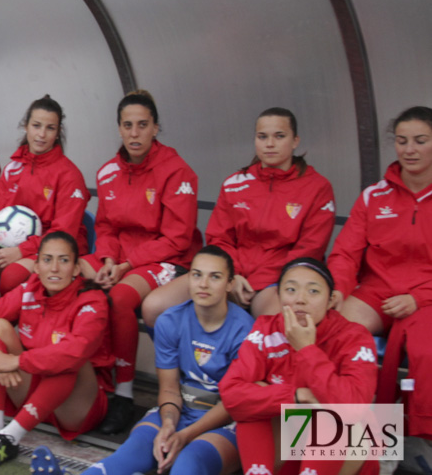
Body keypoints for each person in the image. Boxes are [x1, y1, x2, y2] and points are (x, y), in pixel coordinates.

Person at [50, 246, 253, 475]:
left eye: (214, 277)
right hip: (181, 411)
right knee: (131, 453)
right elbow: (169, 388)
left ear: (230, 283)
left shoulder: (248, 332)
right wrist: (168, 425)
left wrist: (184, 436)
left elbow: (234, 403)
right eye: (197, 274)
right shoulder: (170, 320)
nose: (203, 284)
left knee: (189, 462)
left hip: (224, 421)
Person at [80, 89, 202, 434]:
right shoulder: (108, 173)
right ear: (119, 128)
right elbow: (105, 226)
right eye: (128, 125)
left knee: (119, 297)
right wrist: (107, 259)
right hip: (121, 257)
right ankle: (87, 381)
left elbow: (177, 238)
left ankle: (124, 394)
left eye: (142, 125)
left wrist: (125, 265)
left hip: (167, 258)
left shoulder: (177, 172)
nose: (135, 133)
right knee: (73, 278)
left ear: (156, 128)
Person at [143, 107, 335, 321]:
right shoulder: (235, 183)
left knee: (278, 325)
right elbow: (219, 238)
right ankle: (180, 354)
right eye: (262, 136)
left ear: (295, 140)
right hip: (229, 274)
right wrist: (232, 275)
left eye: (279, 136)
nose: (270, 144)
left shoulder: (317, 187)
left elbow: (309, 250)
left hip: (276, 281)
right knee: (154, 307)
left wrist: (256, 282)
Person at [0, 231, 111, 468]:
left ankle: (11, 437)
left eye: (63, 260)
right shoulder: (30, 288)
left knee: (68, 358)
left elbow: (76, 351)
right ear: (37, 266)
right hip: (36, 390)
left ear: (76, 269)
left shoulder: (92, 299)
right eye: (47, 260)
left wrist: (18, 362)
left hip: (76, 407)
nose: (54, 268)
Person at [330, 106, 432, 441]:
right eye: (402, 141)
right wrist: (337, 290)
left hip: (427, 296)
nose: (409, 149)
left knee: (426, 352)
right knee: (333, 334)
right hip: (376, 292)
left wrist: (418, 298)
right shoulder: (375, 195)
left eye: (420, 140)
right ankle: (334, 445)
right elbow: (346, 253)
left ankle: (401, 440)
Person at [220, 258, 377, 475]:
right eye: (291, 290)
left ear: (331, 300)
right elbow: (231, 394)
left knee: (330, 408)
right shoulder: (266, 327)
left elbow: (352, 408)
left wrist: (307, 350)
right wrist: (297, 395)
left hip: (342, 455)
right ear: (279, 296)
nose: (300, 300)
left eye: (313, 292)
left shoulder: (354, 336)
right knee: (254, 395)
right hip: (289, 446)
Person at [0, 95, 89, 294]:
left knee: (11, 277)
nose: (41, 134)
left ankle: (15, 321)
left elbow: (64, 233)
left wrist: (20, 251)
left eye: (50, 128)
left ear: (58, 133)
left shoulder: (69, 175)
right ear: (26, 126)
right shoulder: (13, 167)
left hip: (51, 249)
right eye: (36, 125)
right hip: (8, 244)